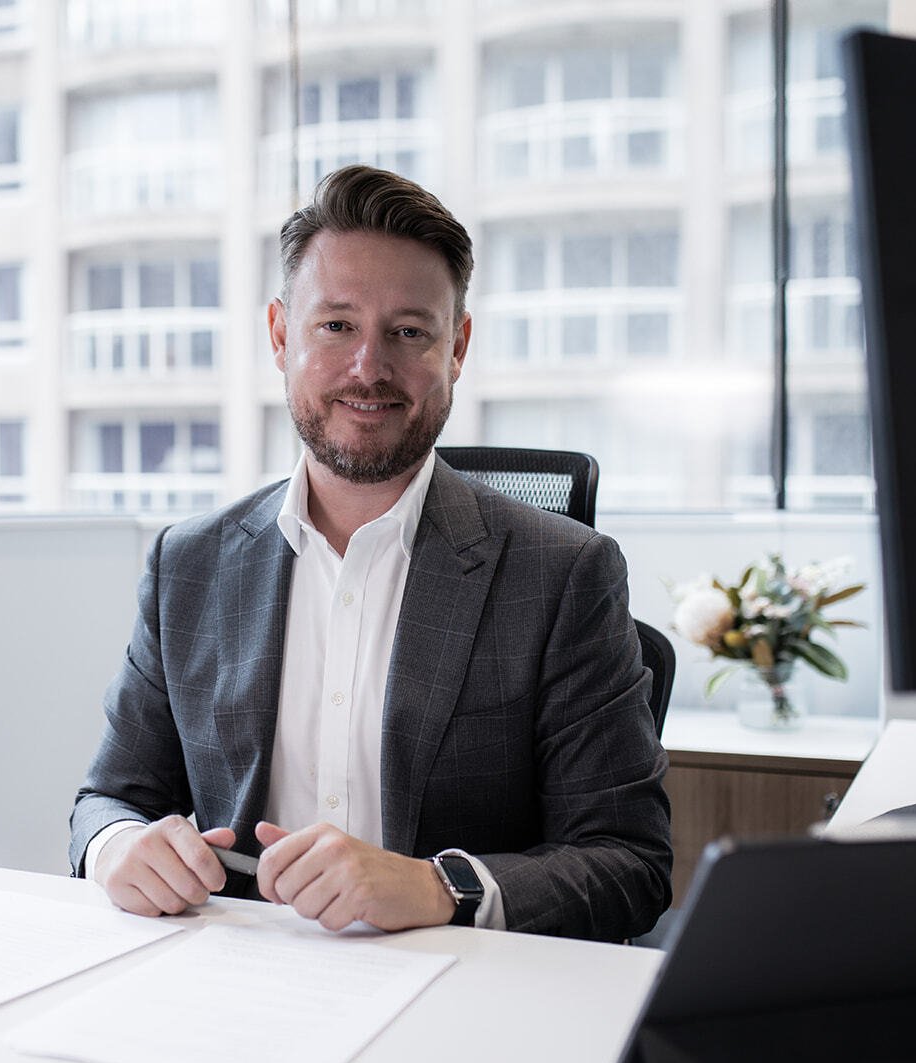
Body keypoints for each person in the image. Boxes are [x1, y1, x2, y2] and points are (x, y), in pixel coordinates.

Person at [69, 164, 671, 942]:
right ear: (282, 335)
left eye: (409, 331)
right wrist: (119, 847)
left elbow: (630, 862)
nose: (369, 367)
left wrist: (437, 884)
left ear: (457, 346)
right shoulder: (188, 564)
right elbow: (107, 798)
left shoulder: (563, 573)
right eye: (337, 325)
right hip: (233, 980)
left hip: (455, 990)